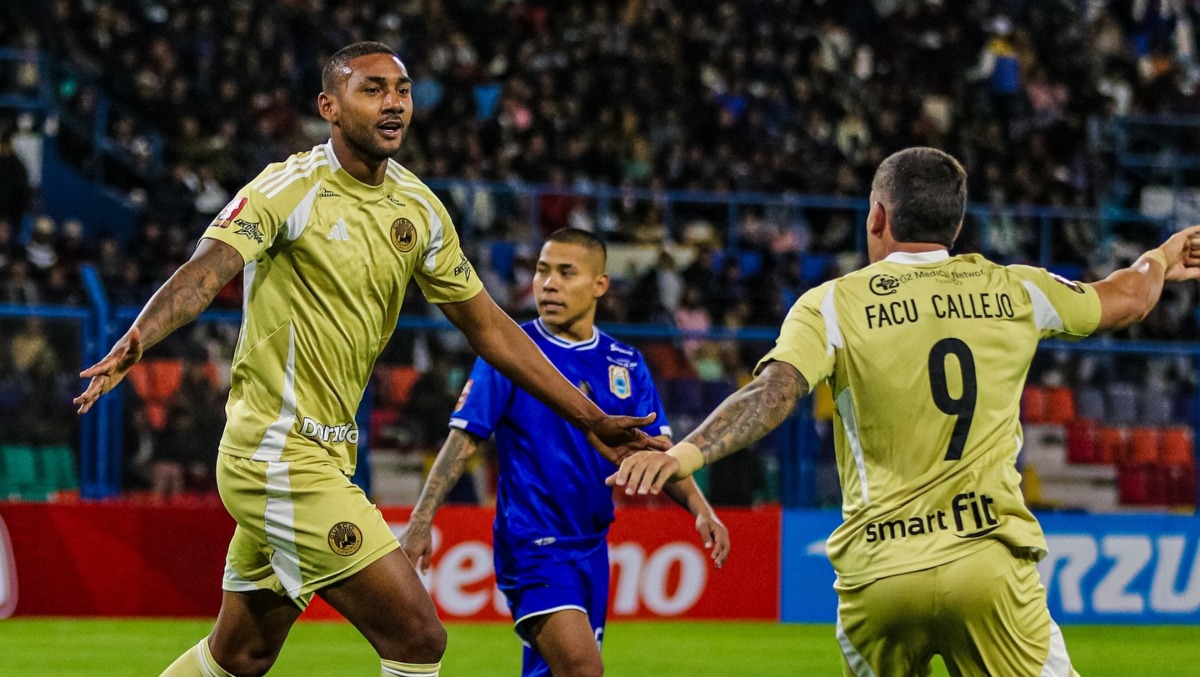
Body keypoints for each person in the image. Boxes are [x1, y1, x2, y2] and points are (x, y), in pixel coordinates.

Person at [73, 42, 667, 677]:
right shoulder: (288, 188)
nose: (394, 104)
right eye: (373, 89)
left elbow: (490, 327)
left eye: (402, 90)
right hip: (275, 456)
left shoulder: (419, 209)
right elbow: (205, 272)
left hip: (327, 453)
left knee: (241, 654)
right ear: (329, 107)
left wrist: (589, 417)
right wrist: (140, 336)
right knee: (418, 637)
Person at [609, 147, 1200, 677]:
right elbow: (1128, 298)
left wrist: (685, 454)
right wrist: (1159, 258)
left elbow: (773, 393)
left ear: (877, 216)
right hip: (985, 565)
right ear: (956, 224)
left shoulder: (831, 305)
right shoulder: (1015, 289)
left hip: (879, 574)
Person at [401, 228, 730, 677]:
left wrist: (700, 508)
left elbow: (659, 454)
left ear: (600, 285)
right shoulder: (510, 351)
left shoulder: (626, 362)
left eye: (565, 273)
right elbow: (464, 439)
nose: (549, 284)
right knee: (582, 669)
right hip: (532, 543)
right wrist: (421, 521)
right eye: (542, 271)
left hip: (591, 547)